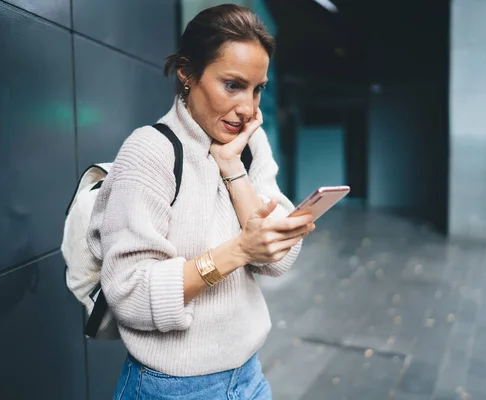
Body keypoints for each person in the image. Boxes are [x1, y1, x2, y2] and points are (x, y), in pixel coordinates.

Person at [87, 4, 315, 399]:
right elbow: (130, 294)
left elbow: (279, 260)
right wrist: (239, 251)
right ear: (188, 73)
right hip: (170, 387)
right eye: (232, 85)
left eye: (257, 89)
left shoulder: (249, 145)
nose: (248, 108)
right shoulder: (150, 151)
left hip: (248, 377)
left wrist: (232, 168)